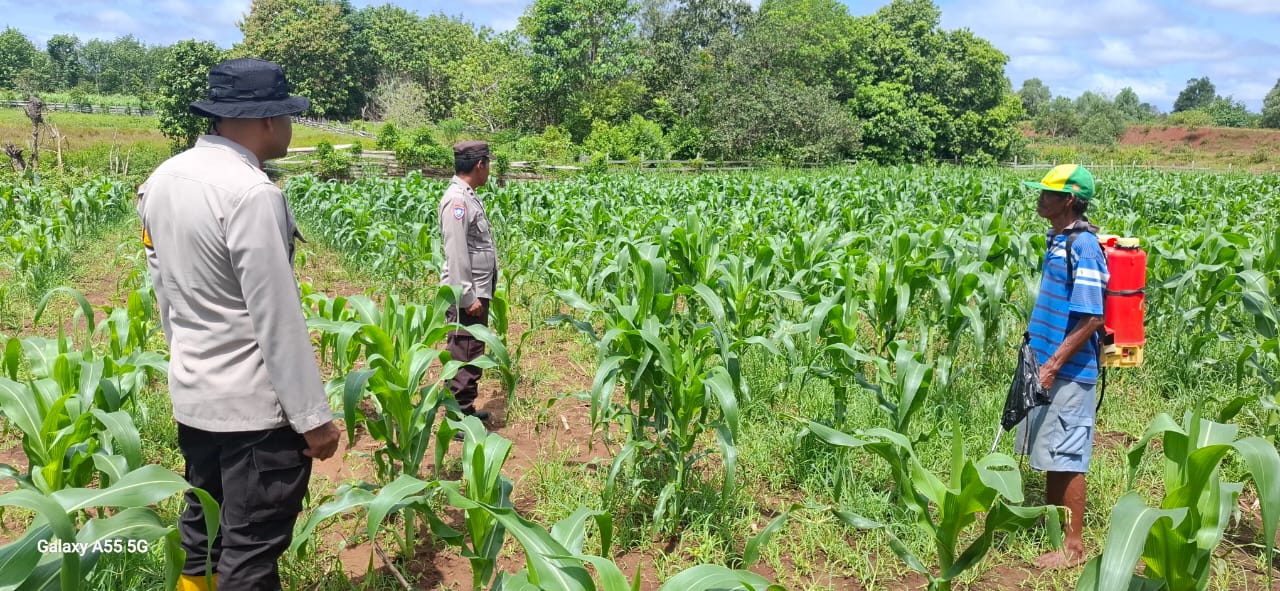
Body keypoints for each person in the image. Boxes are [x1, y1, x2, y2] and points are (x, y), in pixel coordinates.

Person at [138, 57, 340, 591]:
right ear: (269, 120)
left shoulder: (161, 181)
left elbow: (166, 297)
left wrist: (188, 367)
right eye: (290, 117)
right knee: (249, 555)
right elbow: (276, 316)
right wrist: (313, 418)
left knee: (202, 537)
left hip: (196, 400)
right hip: (255, 416)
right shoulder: (252, 193)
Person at [1015, 164, 1108, 569]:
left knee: (1068, 454)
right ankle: (1054, 528)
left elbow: (1092, 317)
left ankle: (1072, 547)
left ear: (1069, 200)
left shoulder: (1083, 246)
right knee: (1051, 449)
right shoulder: (1058, 238)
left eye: (1047, 193)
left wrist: (1052, 365)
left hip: (1069, 368)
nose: (1039, 198)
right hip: (1046, 359)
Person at [439, 140, 498, 421]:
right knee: (464, 350)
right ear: (480, 164)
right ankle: (457, 416)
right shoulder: (457, 200)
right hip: (469, 293)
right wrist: (467, 296)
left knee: (472, 350)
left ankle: (466, 410)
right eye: (488, 164)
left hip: (477, 289)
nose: (489, 170)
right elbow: (456, 252)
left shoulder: (468, 195)